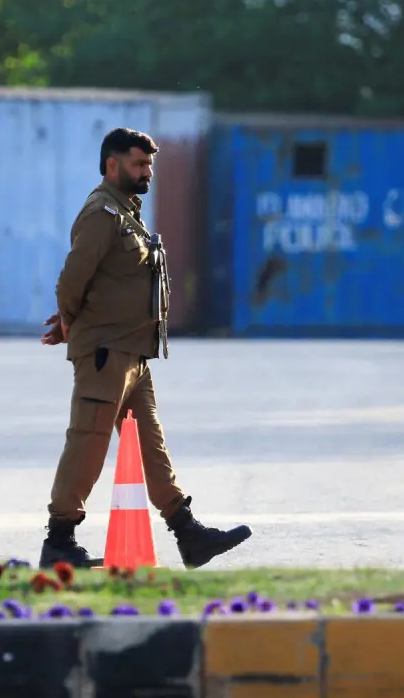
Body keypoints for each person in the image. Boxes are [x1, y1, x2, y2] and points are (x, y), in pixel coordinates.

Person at [38, 127, 252, 570]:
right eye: (139, 164)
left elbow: (108, 282)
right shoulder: (101, 215)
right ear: (112, 165)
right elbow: (71, 282)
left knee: (150, 445)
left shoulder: (126, 213)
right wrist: (73, 324)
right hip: (105, 352)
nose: (147, 173)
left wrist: (71, 322)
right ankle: (59, 538)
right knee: (88, 442)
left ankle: (187, 532)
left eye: (150, 165)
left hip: (133, 353)